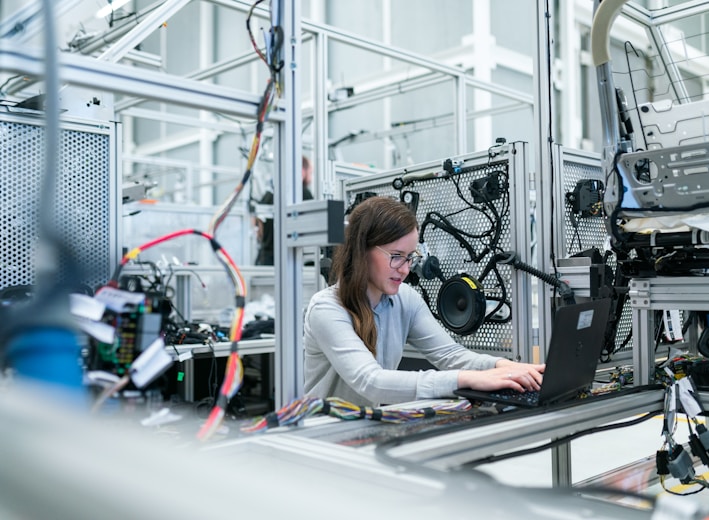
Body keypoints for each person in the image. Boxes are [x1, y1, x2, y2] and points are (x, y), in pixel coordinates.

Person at [303, 196, 545, 407]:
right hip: (324, 435)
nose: (406, 269)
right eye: (396, 257)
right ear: (361, 251)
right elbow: (371, 382)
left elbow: (451, 355)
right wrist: (466, 379)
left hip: (365, 427)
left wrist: (505, 367)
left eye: (410, 257)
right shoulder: (327, 308)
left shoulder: (405, 299)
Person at [254, 156, 314, 265]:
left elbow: (258, 230)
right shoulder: (303, 193)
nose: (311, 177)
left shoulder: (268, 195)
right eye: (310, 172)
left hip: (265, 260)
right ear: (302, 171)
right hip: (289, 260)